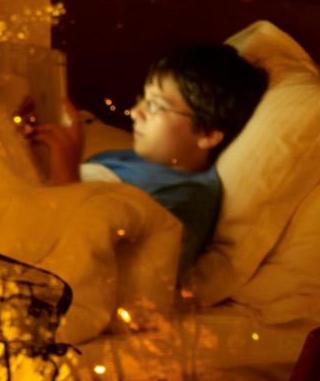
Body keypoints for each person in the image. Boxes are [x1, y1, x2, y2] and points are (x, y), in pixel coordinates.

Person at [27, 42, 264, 271]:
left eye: (155, 106)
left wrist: (66, 177)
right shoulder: (134, 158)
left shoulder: (185, 197)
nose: (136, 112)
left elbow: (96, 267)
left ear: (207, 133)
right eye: (143, 99)